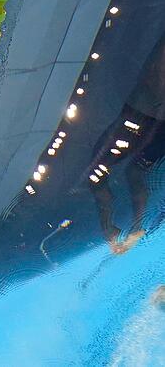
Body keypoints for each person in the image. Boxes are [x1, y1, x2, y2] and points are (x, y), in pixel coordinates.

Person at [87, 32, 165, 255]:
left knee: (133, 171)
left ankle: (135, 228)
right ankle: (111, 227)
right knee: (100, 170)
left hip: (154, 122)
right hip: (138, 115)